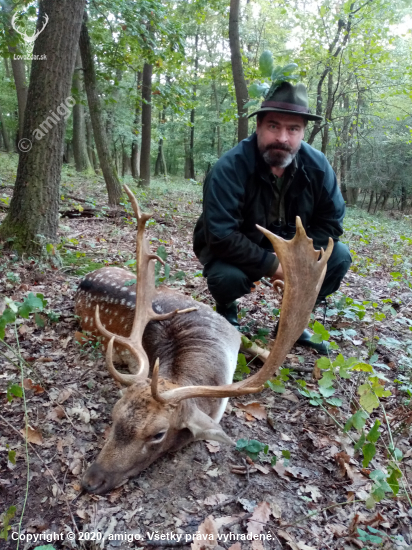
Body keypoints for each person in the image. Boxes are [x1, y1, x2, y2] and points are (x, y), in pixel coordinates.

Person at [193, 81, 351, 353]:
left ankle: (294, 319)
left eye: (293, 129)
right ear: (259, 127)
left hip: (295, 244)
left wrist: (297, 260)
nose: (283, 138)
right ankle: (227, 311)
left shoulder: (319, 167)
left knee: (338, 257)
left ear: (303, 133)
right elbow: (220, 235)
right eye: (274, 126)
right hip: (242, 245)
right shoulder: (229, 168)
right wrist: (275, 265)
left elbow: (332, 223)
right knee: (225, 277)